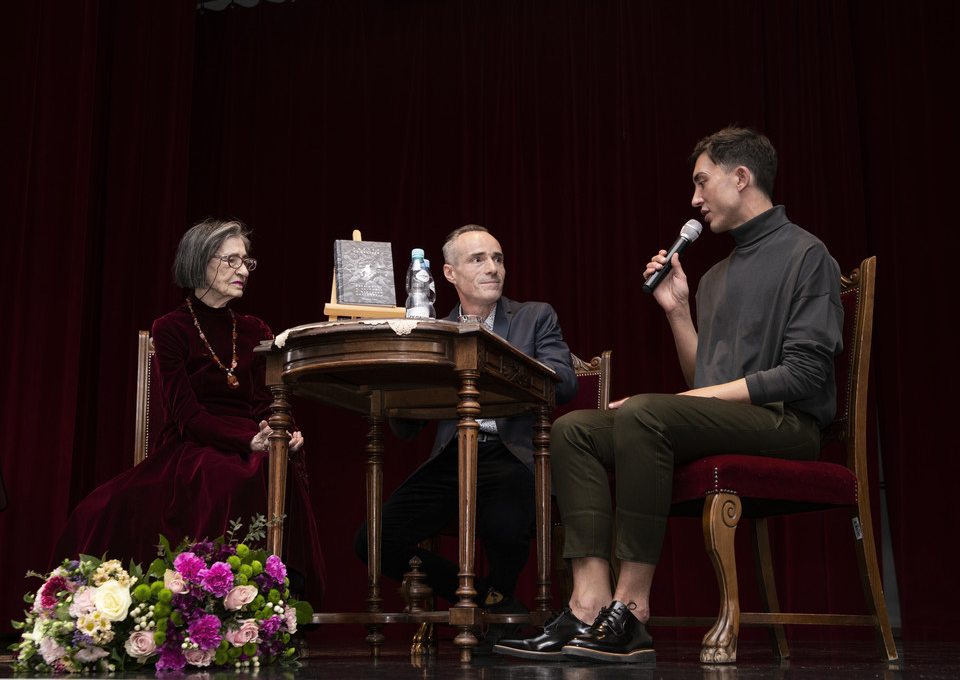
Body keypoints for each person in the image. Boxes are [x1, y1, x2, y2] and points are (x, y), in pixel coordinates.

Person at [494, 127, 844, 663]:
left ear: (741, 177)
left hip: (788, 425)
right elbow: (704, 379)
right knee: (575, 429)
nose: (695, 200)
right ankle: (588, 604)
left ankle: (631, 611)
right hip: (734, 421)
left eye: (702, 183)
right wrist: (678, 310)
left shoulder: (806, 253)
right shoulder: (715, 276)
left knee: (645, 413)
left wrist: (672, 405)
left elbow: (805, 375)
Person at [53, 219, 326, 605]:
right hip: (194, 441)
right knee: (100, 508)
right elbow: (186, 415)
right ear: (199, 261)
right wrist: (247, 439)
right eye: (231, 260)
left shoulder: (254, 328)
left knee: (269, 463)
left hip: (254, 437)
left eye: (247, 262)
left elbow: (268, 400)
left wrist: (284, 430)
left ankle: (265, 597)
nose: (242, 270)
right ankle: (205, 595)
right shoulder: (170, 328)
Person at [353, 224, 579, 652]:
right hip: (454, 458)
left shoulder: (535, 316)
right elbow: (404, 427)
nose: (493, 268)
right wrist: (404, 377)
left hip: (514, 455)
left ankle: (494, 610)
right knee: (373, 540)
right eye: (478, 259)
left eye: (498, 258)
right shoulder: (432, 331)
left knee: (502, 521)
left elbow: (564, 383)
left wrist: (497, 362)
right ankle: (491, 600)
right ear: (449, 274)